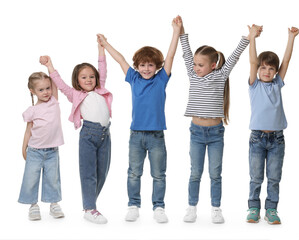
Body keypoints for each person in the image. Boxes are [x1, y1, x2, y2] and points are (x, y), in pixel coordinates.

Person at [97, 16, 181, 223]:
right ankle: (133, 204)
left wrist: (176, 32)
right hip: (136, 135)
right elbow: (120, 59)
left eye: (150, 65)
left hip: (156, 135)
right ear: (137, 66)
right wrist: (105, 44)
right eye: (142, 65)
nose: (146, 69)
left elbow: (170, 56)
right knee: (134, 172)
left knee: (159, 174)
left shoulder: (161, 79)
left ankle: (159, 207)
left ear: (157, 67)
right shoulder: (133, 78)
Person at [178, 16, 253, 223]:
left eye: (200, 65)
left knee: (215, 173)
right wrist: (182, 29)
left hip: (215, 133)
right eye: (195, 64)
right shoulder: (192, 76)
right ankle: (192, 206)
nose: (195, 67)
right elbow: (185, 53)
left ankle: (216, 208)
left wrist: (248, 37)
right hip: (196, 132)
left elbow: (234, 57)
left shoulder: (220, 76)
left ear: (212, 65)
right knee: (195, 172)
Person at [40, 37, 113, 224]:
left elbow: (102, 67)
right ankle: (90, 208)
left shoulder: (100, 89)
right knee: (88, 173)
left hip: (106, 135)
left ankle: (90, 203)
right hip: (89, 135)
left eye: (91, 76)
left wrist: (101, 48)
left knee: (102, 172)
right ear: (77, 80)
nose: (88, 80)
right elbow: (61, 84)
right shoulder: (75, 94)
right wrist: (50, 66)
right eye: (84, 77)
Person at [246, 26, 299, 225]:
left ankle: (271, 209)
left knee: (274, 177)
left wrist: (291, 37)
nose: (266, 71)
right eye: (263, 67)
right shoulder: (254, 84)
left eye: (270, 68)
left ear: (275, 71)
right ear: (258, 69)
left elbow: (286, 61)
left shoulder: (277, 83)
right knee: (256, 177)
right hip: (257, 138)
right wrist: (252, 38)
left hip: (277, 139)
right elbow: (252, 60)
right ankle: (253, 207)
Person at [18, 72, 65, 221]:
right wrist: (23, 148)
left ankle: (54, 204)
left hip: (52, 151)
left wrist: (49, 65)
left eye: (48, 88)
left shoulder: (54, 101)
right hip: (34, 151)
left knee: (53, 178)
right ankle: (33, 205)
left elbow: (56, 81)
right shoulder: (32, 111)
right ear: (32, 91)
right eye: (41, 90)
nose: (46, 92)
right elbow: (28, 131)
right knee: (31, 178)